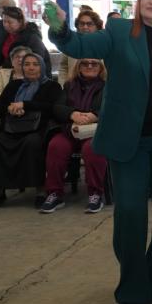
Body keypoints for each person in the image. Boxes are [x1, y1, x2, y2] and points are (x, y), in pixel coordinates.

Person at [45, 0, 152, 304]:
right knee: (131, 214)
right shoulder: (119, 32)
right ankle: (133, 287)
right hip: (129, 141)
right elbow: (79, 45)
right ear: (139, 1)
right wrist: (60, 27)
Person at [0, 51, 62, 207]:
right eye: (27, 64)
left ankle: (40, 190)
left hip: (38, 130)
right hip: (12, 129)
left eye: (35, 64)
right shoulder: (14, 85)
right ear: (22, 67)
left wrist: (25, 105)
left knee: (32, 143)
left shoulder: (52, 86)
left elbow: (52, 108)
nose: (31, 68)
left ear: (42, 67)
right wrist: (10, 108)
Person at [42, 58, 107, 213]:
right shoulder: (69, 85)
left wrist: (95, 115)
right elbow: (57, 107)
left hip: (95, 131)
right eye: (85, 63)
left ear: (101, 67)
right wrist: (72, 114)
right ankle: (54, 193)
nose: (89, 66)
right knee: (56, 146)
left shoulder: (108, 87)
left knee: (93, 148)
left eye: (94, 63)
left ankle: (95, 194)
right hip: (70, 129)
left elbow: (114, 108)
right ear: (78, 67)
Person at [0, 6, 51, 74]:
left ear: (20, 22)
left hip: (32, 74)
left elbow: (36, 59)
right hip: (6, 73)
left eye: (10, 22)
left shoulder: (32, 37)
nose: (6, 25)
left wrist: (5, 67)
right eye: (4, 21)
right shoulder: (4, 34)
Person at [58, 10, 104, 85]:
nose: (85, 27)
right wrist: (62, 85)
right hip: (73, 89)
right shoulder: (70, 44)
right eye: (82, 24)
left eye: (89, 24)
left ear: (97, 26)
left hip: (99, 89)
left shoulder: (103, 45)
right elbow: (64, 66)